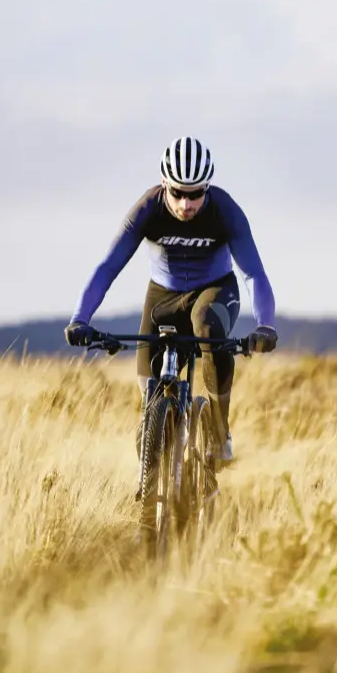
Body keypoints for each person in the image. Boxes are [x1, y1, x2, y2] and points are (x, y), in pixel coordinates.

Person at [64, 136, 278, 463]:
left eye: (195, 194)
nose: (186, 204)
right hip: (163, 295)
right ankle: (156, 478)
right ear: (164, 185)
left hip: (215, 289)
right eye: (177, 193)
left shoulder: (224, 211)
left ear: (207, 188)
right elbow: (108, 267)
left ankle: (219, 434)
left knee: (207, 329)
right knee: (148, 408)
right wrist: (80, 319)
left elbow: (254, 274)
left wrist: (265, 325)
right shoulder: (148, 209)